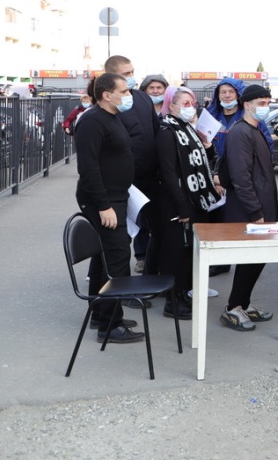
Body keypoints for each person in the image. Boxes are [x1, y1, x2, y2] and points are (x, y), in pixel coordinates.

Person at [74, 73, 144, 344]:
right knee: (116, 259)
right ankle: (110, 326)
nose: (128, 96)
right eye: (124, 91)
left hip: (117, 197)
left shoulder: (111, 116)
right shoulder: (92, 121)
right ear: (106, 94)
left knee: (104, 259)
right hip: (103, 201)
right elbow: (88, 167)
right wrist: (104, 206)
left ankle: (100, 313)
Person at [155, 86, 222, 319]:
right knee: (176, 251)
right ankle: (173, 301)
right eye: (185, 103)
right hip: (178, 201)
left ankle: (184, 293)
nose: (190, 107)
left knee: (187, 250)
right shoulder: (166, 131)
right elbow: (168, 173)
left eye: (192, 103)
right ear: (171, 106)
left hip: (194, 199)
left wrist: (208, 146)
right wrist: (182, 205)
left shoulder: (187, 128)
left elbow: (201, 160)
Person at [219, 84, 278, 331]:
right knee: (248, 261)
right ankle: (233, 309)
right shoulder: (241, 133)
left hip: (259, 209)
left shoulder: (255, 130)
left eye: (267, 102)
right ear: (247, 105)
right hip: (249, 212)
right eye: (261, 103)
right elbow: (241, 178)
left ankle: (243, 304)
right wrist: (256, 213)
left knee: (256, 260)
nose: (265, 107)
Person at [103, 55, 161, 277]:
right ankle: (112, 282)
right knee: (120, 236)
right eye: (126, 74)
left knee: (156, 227)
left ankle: (151, 275)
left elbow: (156, 132)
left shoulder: (143, 99)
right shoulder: (108, 106)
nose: (131, 78)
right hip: (123, 182)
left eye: (132, 72)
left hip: (149, 178)